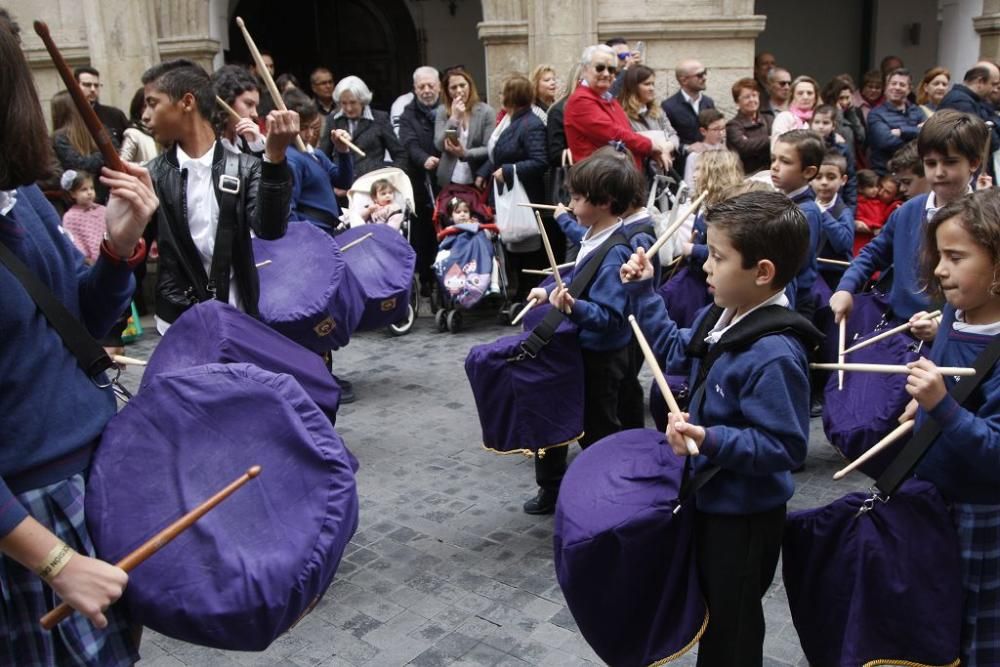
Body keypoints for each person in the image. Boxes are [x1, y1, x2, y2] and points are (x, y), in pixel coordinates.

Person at [0, 18, 158, 664]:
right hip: (25, 515)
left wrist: (120, 249)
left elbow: (79, 329)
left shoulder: (21, 199)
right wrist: (53, 556)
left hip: (93, 475)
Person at [620, 191, 820, 665]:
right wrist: (645, 291)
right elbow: (672, 349)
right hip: (712, 496)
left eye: (717, 256)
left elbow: (785, 445)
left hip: (746, 517)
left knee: (733, 625)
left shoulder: (774, 353)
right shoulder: (722, 314)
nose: (704, 266)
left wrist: (710, 438)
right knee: (713, 611)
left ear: (762, 271)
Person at [521, 151, 644, 514]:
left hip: (602, 357)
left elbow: (610, 316)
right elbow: (580, 277)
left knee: (599, 430)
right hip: (597, 353)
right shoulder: (596, 236)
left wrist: (573, 307)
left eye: (576, 198)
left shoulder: (614, 252)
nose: (570, 204)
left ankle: (611, 495)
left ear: (604, 202)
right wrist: (549, 291)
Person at [909, 188, 1000, 667]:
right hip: (936, 495)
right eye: (939, 255)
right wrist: (919, 411)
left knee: (975, 629)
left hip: (981, 511)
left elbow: (995, 452)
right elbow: (946, 381)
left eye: (956, 257)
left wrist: (940, 407)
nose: (940, 269)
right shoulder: (953, 313)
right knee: (937, 618)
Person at [140, 58, 298, 333]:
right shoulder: (152, 176)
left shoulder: (245, 168)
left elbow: (270, 229)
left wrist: (274, 158)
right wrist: (111, 330)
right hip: (178, 323)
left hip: (239, 316)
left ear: (187, 102)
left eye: (152, 103)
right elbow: (133, 257)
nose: (144, 115)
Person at [830, 109, 988, 333]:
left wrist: (943, 324)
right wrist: (845, 288)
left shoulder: (986, 219)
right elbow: (873, 253)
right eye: (931, 163)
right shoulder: (908, 211)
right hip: (897, 328)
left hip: (952, 334)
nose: (939, 172)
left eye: (950, 162)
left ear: (973, 163)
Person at [479, 74, 548, 300]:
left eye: (503, 93)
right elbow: (498, 153)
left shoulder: (530, 124)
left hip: (525, 196)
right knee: (515, 247)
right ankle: (519, 292)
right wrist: (484, 173)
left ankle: (528, 293)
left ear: (511, 97)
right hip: (508, 193)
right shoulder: (512, 121)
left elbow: (540, 161)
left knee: (528, 249)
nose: (499, 97)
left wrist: (508, 170)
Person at [771, 129, 853, 316]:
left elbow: (794, 265)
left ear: (808, 172)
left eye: (785, 161)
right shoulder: (782, 200)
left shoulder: (806, 211)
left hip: (794, 301)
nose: (775, 166)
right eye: (774, 158)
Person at [565, 45, 667, 170]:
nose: (606, 73)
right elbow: (613, 134)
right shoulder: (580, 100)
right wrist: (650, 145)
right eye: (600, 68)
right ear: (585, 70)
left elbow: (626, 133)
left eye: (611, 69)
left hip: (619, 176)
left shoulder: (608, 98)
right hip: (599, 180)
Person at [280, 88, 354, 233]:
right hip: (312, 232)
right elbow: (289, 209)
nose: (309, 134)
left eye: (312, 127)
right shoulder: (290, 159)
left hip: (329, 229)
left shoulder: (317, 155)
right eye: (303, 128)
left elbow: (344, 182)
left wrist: (343, 151)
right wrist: (303, 239)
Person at [399, 66, 443, 295]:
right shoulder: (408, 114)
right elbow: (408, 143)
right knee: (423, 232)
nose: (426, 90)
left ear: (438, 86)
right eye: (421, 87)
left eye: (430, 85)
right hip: (419, 180)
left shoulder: (447, 109)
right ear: (415, 89)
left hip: (445, 179)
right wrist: (423, 159)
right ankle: (426, 278)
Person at [320, 76, 406, 178]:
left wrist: (389, 180)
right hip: (341, 187)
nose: (348, 108)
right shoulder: (333, 120)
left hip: (372, 186)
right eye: (344, 103)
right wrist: (332, 183)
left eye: (353, 102)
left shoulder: (380, 119)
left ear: (362, 100)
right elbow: (324, 156)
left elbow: (400, 155)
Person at [434, 68, 496, 189]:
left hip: (475, 177)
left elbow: (489, 148)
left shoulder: (486, 112)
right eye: (453, 87)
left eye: (462, 85)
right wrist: (454, 119)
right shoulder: (442, 111)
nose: (459, 91)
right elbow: (439, 144)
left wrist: (465, 153)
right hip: (449, 178)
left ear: (470, 86)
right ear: (447, 91)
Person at [618, 65, 679, 174]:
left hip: (660, 173)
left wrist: (668, 147)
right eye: (647, 84)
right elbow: (629, 142)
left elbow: (672, 134)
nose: (652, 88)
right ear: (633, 87)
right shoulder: (622, 115)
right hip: (636, 172)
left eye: (652, 84)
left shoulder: (657, 111)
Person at [51, 90, 109, 204]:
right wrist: (103, 155)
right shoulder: (98, 130)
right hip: (102, 193)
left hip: (82, 199)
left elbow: (78, 165)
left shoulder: (59, 137)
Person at [867, 68, 927, 175]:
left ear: (909, 89)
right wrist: (916, 132)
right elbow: (885, 142)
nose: (897, 87)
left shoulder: (917, 111)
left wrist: (902, 131)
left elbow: (927, 135)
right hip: (886, 174)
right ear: (886, 87)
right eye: (893, 83)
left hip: (915, 173)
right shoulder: (876, 114)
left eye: (902, 85)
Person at [662, 59, 717, 151]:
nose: (704, 78)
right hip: (683, 162)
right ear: (684, 80)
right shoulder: (668, 106)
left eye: (705, 72)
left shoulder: (708, 102)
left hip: (709, 161)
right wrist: (687, 148)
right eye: (699, 75)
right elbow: (665, 139)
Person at [211, 64, 265, 157]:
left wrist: (257, 147)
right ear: (227, 100)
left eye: (256, 107)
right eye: (249, 104)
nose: (255, 114)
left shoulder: (249, 143)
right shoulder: (208, 148)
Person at [810, 104, 857, 205]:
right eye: (816, 122)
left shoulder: (843, 149)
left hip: (837, 201)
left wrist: (850, 207)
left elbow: (851, 181)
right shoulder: (805, 148)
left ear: (833, 125)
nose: (820, 126)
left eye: (825, 123)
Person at [726, 77, 773, 175]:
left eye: (754, 95)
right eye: (747, 97)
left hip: (770, 172)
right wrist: (769, 139)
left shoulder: (769, 119)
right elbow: (744, 147)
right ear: (737, 102)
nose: (752, 100)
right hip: (747, 175)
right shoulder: (733, 125)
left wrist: (752, 141)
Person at [73, 66, 129, 146]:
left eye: (96, 85)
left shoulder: (114, 115)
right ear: (76, 86)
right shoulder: (69, 115)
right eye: (87, 85)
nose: (93, 89)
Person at [60, 169, 105, 264]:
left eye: (91, 188)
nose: (89, 192)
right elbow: (73, 242)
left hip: (108, 258)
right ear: (73, 194)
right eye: (84, 189)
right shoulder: (70, 217)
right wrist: (86, 260)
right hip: (87, 264)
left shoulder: (103, 210)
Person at [770, 75, 820, 150]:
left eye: (809, 93)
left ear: (815, 98)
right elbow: (775, 148)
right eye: (800, 93)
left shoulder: (820, 118)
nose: (805, 97)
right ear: (792, 96)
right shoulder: (785, 117)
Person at [683, 109, 727, 189]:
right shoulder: (695, 156)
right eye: (716, 129)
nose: (721, 133)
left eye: (723, 128)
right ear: (703, 131)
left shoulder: (727, 151)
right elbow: (689, 186)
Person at [119, 88, 159, 165]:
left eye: (152, 105)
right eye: (145, 106)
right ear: (138, 108)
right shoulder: (133, 134)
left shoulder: (164, 133)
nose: (149, 110)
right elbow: (122, 164)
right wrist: (150, 167)